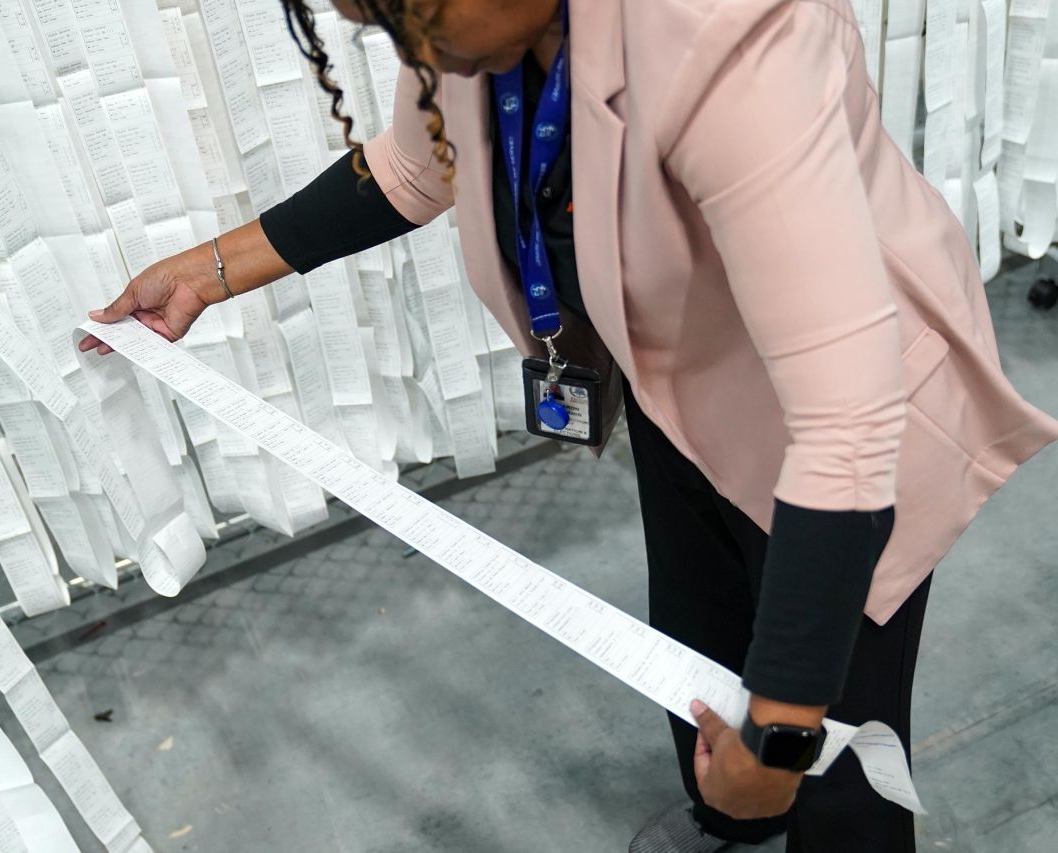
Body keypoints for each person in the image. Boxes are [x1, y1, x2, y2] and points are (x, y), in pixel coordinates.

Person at [80, 1, 1058, 850]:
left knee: (833, 735)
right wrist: (210, 270)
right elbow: (417, 169)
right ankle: (737, 821)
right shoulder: (461, 28)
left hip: (846, 424)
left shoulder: (735, 35)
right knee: (695, 629)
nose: (402, 37)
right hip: (681, 386)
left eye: (414, 11)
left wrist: (777, 747)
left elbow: (844, 425)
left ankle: (789, 809)